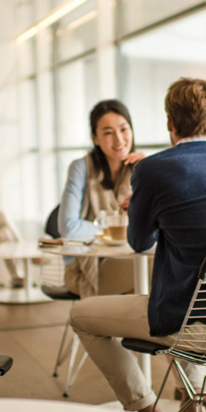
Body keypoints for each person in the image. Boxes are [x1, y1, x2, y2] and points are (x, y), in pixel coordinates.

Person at [68, 78, 206, 412]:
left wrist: (143, 207)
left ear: (170, 123)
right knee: (191, 288)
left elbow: (139, 242)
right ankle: (191, 409)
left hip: (195, 324)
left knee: (81, 316)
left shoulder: (153, 169)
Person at [58, 99, 145, 298]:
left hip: (129, 259)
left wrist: (152, 173)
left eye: (123, 129)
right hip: (84, 266)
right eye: (108, 132)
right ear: (95, 138)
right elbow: (69, 228)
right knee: (158, 271)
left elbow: (157, 226)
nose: (119, 139)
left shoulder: (142, 167)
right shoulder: (80, 167)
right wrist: (118, 232)